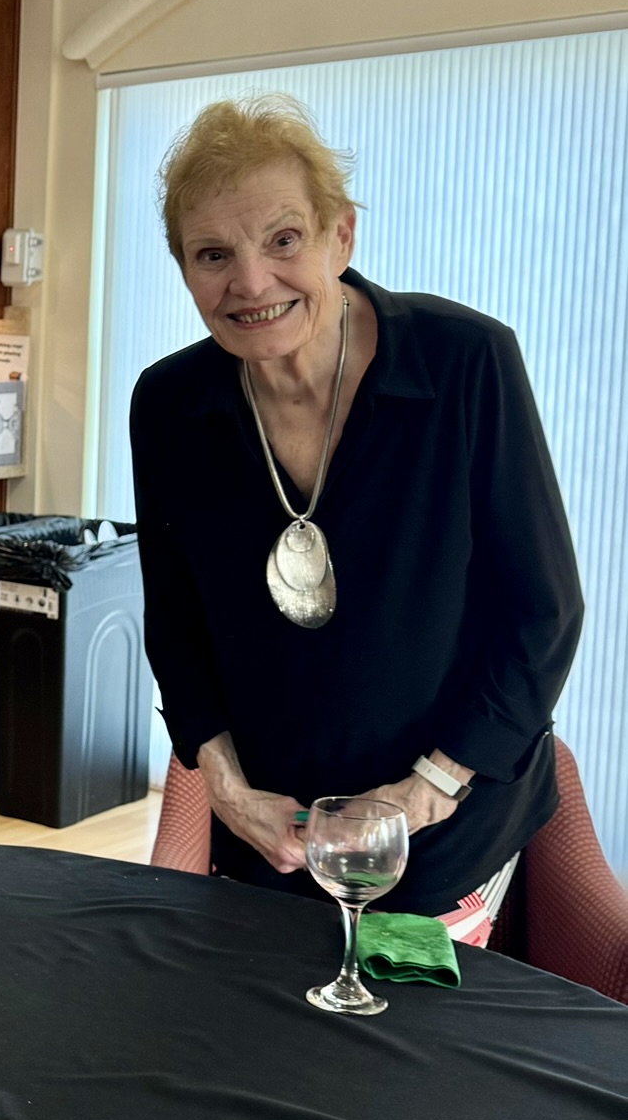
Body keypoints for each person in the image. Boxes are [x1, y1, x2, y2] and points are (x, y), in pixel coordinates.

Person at [131, 95, 582, 942]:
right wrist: (227, 791)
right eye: (213, 254)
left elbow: (542, 614)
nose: (251, 283)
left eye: (283, 239)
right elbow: (177, 628)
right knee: (258, 1022)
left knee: (400, 1026)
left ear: (341, 236)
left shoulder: (464, 362)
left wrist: (425, 792)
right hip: (269, 838)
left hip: (444, 831)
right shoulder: (168, 405)